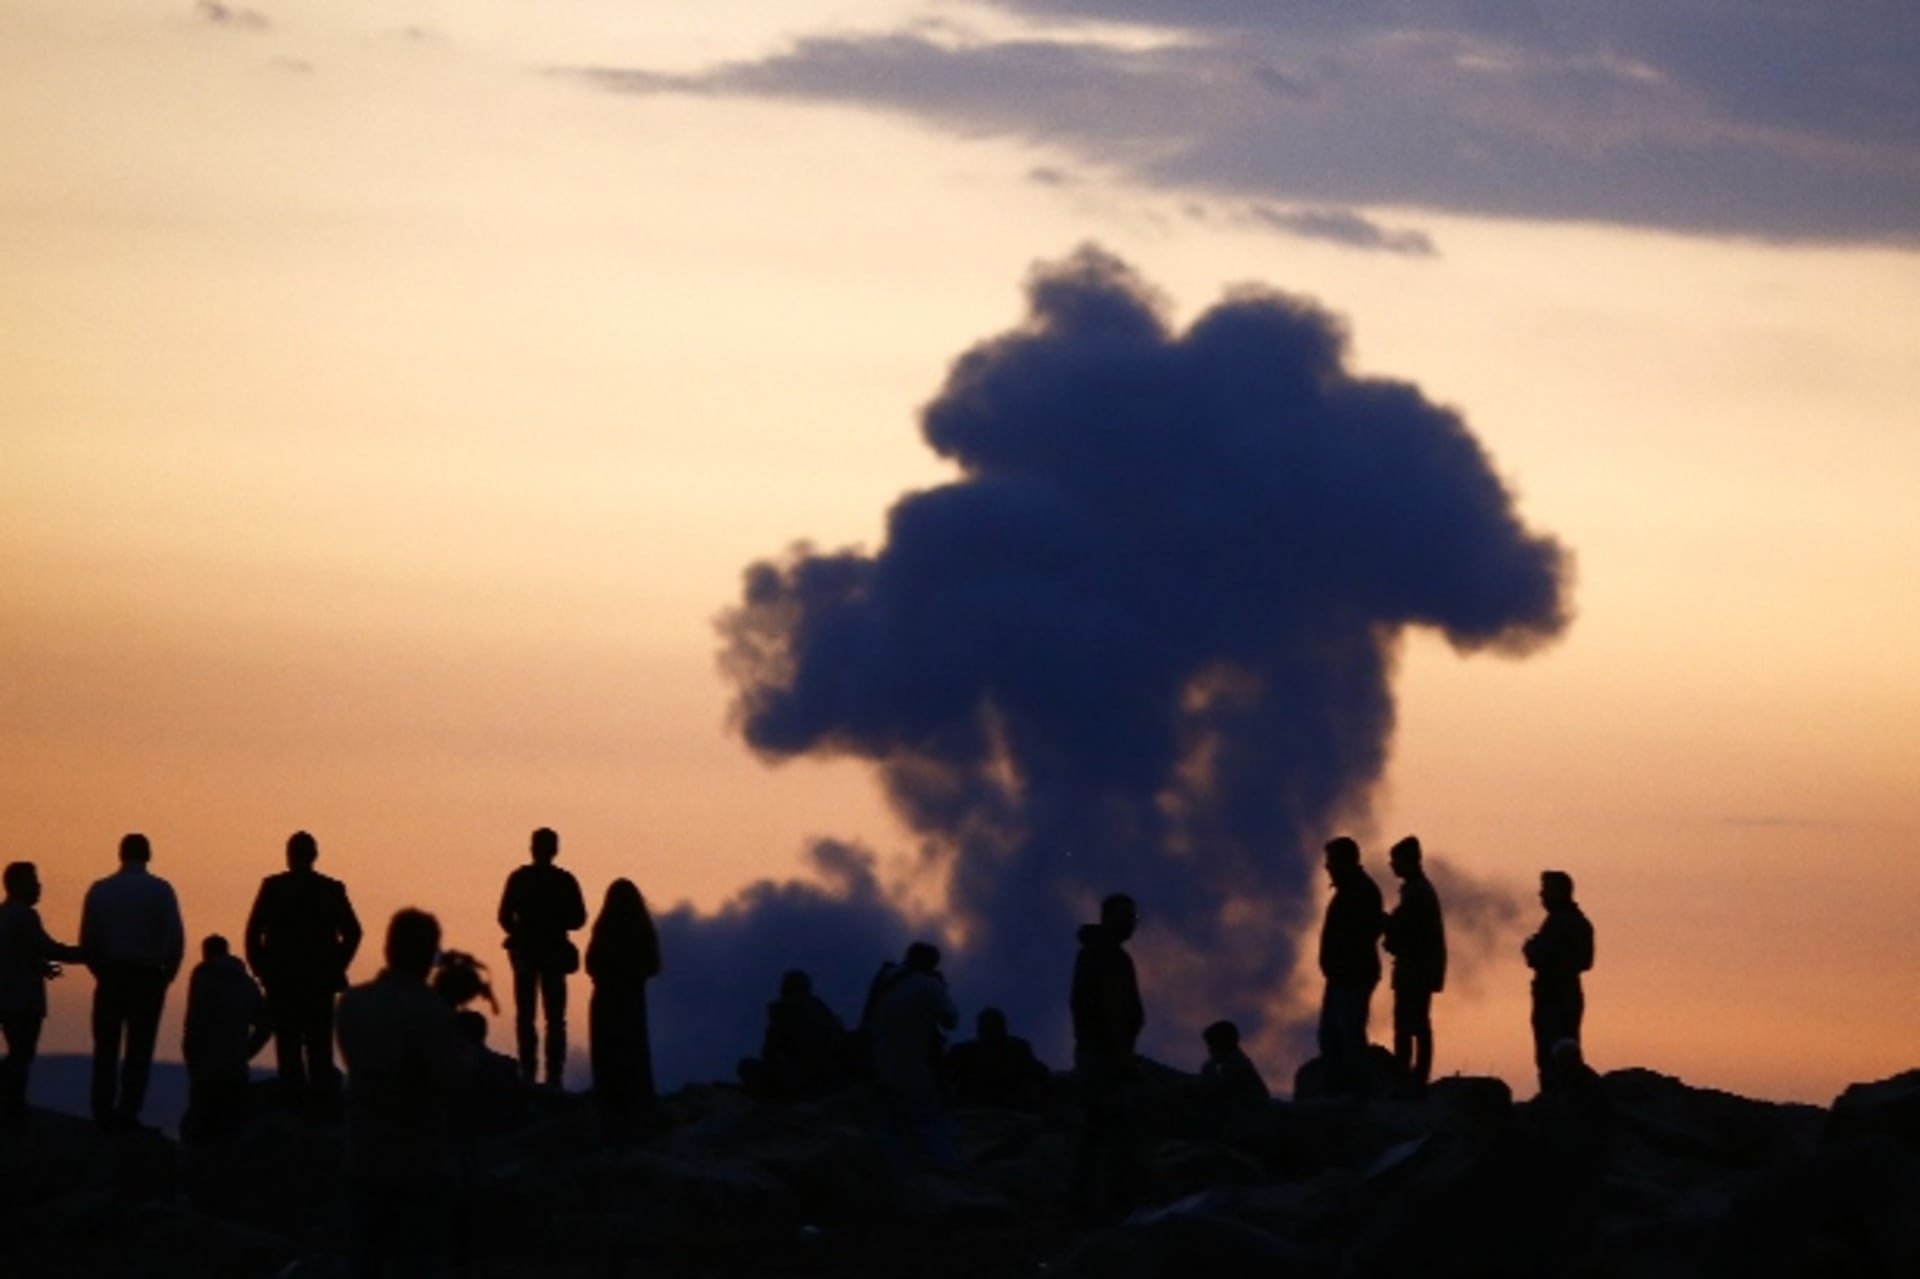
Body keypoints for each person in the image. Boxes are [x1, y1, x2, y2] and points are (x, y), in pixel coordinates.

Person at [336, 909, 462, 1279]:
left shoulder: (352, 1003)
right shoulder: (433, 1013)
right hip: (420, 1161)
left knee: (363, 1258)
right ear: (427, 956)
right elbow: (448, 1078)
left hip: (363, 1152)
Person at [244, 830, 363, 1110]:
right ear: (314, 855)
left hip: (283, 983)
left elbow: (253, 933)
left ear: (289, 855)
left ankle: (294, 1105)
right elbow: (353, 932)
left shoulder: (274, 887)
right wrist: (336, 966)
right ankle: (319, 1109)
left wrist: (263, 970)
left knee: (288, 1046)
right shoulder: (330, 889)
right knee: (318, 1048)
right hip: (318, 983)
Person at [80, 833, 186, 1132]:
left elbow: (88, 941)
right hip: (147, 977)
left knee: (106, 1049)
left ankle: (102, 1112)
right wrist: (167, 977)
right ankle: (128, 1112)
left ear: (120, 853)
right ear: (148, 854)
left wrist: (101, 972)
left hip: (111, 975)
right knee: (139, 1050)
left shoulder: (100, 890)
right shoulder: (161, 890)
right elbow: (175, 939)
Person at [1070, 892, 1145, 1215]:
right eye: (1126, 915)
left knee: (1102, 1127)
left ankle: (1093, 1200)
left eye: (1133, 916)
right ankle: (1096, 1204)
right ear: (1108, 916)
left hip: (1104, 1053)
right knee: (1104, 1126)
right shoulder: (1104, 955)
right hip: (1105, 1056)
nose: (1131, 922)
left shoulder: (1104, 953)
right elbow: (1106, 1007)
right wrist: (1119, 1052)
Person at [497, 827, 586, 1088]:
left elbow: (503, 916)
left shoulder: (519, 878)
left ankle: (529, 1071)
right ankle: (553, 1075)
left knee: (528, 1015)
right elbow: (579, 918)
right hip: (552, 952)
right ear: (555, 850)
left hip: (528, 952)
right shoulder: (564, 880)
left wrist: (522, 932)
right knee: (554, 1019)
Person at [0, 861, 85, 1128]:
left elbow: (16, 951)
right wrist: (86, 953)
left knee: (18, 1052)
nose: (39, 887)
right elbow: (48, 947)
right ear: (18, 885)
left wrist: (38, 966)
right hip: (22, 999)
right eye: (33, 881)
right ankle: (13, 1108)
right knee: (21, 1054)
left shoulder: (5, 914)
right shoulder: (24, 916)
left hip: (8, 996)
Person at [866, 940, 958, 1172]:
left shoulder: (884, 978)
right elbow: (951, 1019)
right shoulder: (927, 984)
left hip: (878, 1064)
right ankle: (945, 1176)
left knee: (891, 1126)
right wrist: (940, 988)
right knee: (930, 1121)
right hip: (915, 1066)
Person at [585, 878, 661, 1142]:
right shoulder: (642, 931)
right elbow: (654, 965)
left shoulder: (604, 929)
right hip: (631, 1002)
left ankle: (610, 1112)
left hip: (606, 1000)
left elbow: (590, 963)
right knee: (633, 1054)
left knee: (606, 1053)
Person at [181, 934, 272, 1144]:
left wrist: (190, 1053)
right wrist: (246, 1052)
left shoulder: (201, 978)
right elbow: (265, 1025)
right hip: (235, 1066)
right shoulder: (246, 983)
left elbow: (193, 1022)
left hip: (204, 1065)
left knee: (202, 1129)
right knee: (232, 1129)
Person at [1317, 836, 1383, 1100]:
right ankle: (1342, 1092)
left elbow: (1360, 936)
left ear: (1345, 861)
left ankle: (1355, 1095)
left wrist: (1341, 967)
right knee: (1333, 1037)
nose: (1327, 866)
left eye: (1331, 860)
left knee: (1347, 1037)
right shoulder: (1352, 890)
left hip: (1351, 977)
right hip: (1341, 977)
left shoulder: (1361, 891)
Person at [1382, 835, 1447, 1094]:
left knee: (1409, 1025)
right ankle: (1415, 1077)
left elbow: (1406, 930)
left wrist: (1385, 925)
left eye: (1395, 860)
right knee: (1417, 1023)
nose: (1392, 865)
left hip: (1415, 969)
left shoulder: (1417, 893)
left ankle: (1409, 1079)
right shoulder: (1419, 891)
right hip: (1420, 968)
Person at [1523, 870, 1594, 1092]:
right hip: (1570, 994)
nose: (1541, 895)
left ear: (1559, 892)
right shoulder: (1581, 923)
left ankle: (1555, 1102)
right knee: (1567, 1050)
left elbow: (1537, 956)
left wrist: (1531, 947)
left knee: (1549, 1054)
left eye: (1546, 890)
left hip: (1551, 996)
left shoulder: (1557, 923)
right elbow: (1586, 961)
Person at [738, 968, 850, 1101]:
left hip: (801, 1080)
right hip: (828, 1079)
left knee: (746, 1066)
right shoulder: (824, 1012)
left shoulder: (783, 1011)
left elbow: (769, 1052)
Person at [947, 1007, 1050, 1111]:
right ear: (1004, 1027)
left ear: (980, 1028)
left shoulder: (961, 1052)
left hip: (974, 1108)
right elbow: (1039, 1071)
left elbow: (949, 1078)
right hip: (1014, 1106)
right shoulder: (1018, 1048)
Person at [1195, 1019, 1269, 1135]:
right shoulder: (1232, 1065)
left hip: (1252, 1124)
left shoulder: (1238, 1066)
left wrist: (1208, 1071)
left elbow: (1215, 1092)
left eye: (1212, 1045)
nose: (1209, 1051)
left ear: (1223, 1045)